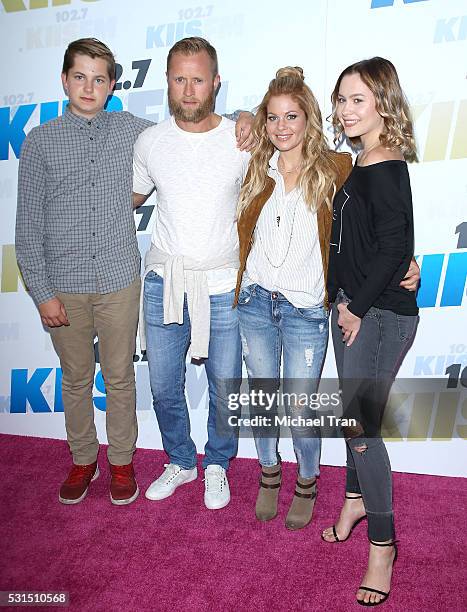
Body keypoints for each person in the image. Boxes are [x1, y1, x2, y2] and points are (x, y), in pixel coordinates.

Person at [15, 37, 253, 507]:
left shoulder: (168, 133)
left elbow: (224, 126)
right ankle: (130, 460)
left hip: (171, 282)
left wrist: (249, 112)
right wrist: (44, 286)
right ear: (64, 81)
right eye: (79, 77)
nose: (188, 89)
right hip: (110, 282)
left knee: (173, 382)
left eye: (99, 78)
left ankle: (176, 465)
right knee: (114, 382)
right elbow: (34, 225)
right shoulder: (66, 140)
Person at [132, 37, 251, 510]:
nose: (188, 89)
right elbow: (128, 201)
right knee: (163, 386)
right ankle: (181, 461)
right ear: (166, 81)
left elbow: (291, 132)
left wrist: (250, 113)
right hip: (165, 283)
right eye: (179, 78)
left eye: (198, 79)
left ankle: (217, 464)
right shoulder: (150, 141)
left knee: (226, 386)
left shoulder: (243, 138)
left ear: (216, 82)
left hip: (224, 285)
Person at [233, 67, 352, 530]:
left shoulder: (336, 169)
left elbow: (376, 211)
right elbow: (205, 118)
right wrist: (243, 112)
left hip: (305, 310)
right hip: (256, 302)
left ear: (308, 120)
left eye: (292, 116)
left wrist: (406, 258)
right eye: (273, 117)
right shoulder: (254, 169)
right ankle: (268, 474)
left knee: (300, 409)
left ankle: (306, 480)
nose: (282, 127)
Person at [321, 57, 419, 607]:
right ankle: (355, 501)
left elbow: (391, 249)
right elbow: (392, 239)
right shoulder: (362, 161)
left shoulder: (385, 163)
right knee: (356, 422)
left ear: (383, 102)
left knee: (360, 428)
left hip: (377, 315)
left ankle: (383, 545)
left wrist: (355, 306)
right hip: (355, 309)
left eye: (358, 99)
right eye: (341, 99)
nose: (346, 109)